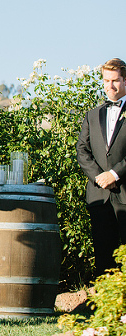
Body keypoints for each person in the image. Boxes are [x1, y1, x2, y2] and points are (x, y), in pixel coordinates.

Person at [77, 58, 126, 276]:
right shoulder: (92, 114)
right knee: (104, 255)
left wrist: (115, 174)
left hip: (125, 193)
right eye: (106, 81)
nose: (110, 86)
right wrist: (100, 177)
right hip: (99, 196)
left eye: (115, 80)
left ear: (125, 80)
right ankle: (107, 308)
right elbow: (82, 150)